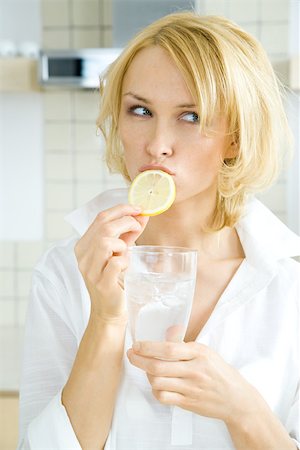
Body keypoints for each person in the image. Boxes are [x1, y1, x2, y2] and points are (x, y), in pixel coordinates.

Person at [18, 11, 300, 450]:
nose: (156, 144)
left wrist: (243, 408)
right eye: (141, 110)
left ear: (236, 137)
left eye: (190, 117)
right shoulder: (65, 273)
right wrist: (107, 321)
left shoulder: (288, 292)